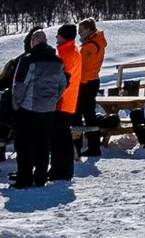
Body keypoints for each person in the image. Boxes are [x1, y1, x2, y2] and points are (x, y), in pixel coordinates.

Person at [8, 27, 68, 188]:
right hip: (48, 109)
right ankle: (41, 176)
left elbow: (20, 85)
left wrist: (16, 104)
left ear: (33, 42)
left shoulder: (28, 60)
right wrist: (54, 99)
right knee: (43, 144)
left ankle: (24, 177)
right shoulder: (57, 61)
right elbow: (63, 83)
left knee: (25, 145)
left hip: (28, 108)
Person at [52, 23, 84, 181]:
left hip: (63, 101)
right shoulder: (70, 51)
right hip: (67, 100)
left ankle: (62, 171)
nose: (56, 38)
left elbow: (63, 79)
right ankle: (60, 169)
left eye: (58, 35)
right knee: (62, 138)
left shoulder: (68, 54)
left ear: (64, 36)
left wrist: (54, 97)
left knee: (61, 138)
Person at [73, 17, 107, 160]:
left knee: (82, 114)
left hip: (86, 82)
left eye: (81, 30)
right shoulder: (95, 42)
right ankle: (90, 146)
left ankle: (82, 145)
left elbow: (83, 67)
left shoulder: (90, 46)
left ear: (88, 29)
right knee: (87, 114)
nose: (79, 33)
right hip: (91, 81)